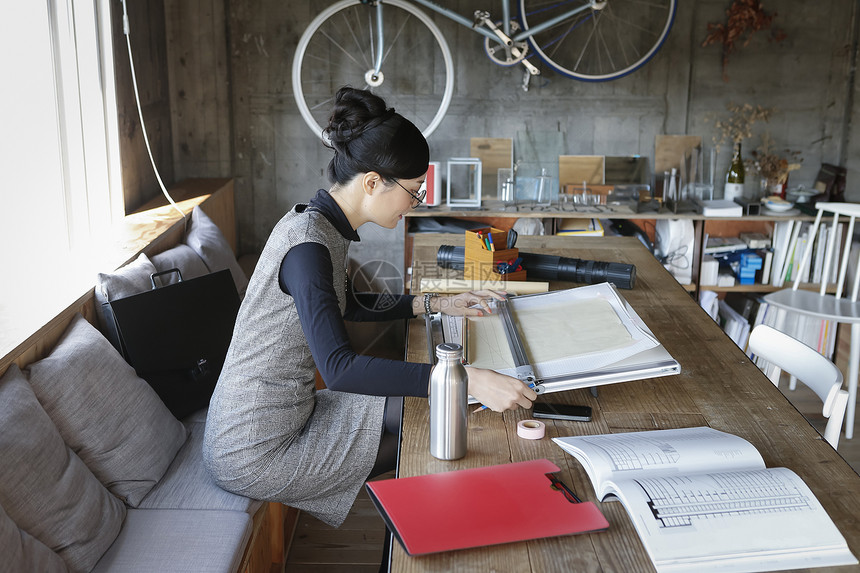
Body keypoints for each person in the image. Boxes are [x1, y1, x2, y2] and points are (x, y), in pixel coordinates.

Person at [203, 86, 536, 528]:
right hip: (254, 446)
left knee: (427, 413)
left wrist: (436, 302)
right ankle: (438, 530)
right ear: (373, 182)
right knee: (429, 417)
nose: (414, 205)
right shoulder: (308, 247)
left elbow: (352, 305)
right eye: (413, 192)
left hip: (288, 415)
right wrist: (466, 378)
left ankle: (436, 525)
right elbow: (340, 368)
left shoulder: (321, 225)